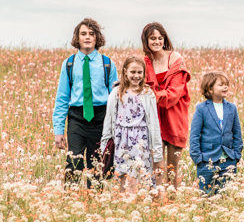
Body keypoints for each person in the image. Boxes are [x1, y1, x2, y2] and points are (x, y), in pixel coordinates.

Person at [53, 18, 118, 186]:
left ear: (97, 38)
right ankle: (70, 200)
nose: (87, 37)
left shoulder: (107, 64)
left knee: (96, 165)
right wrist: (59, 130)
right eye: (83, 34)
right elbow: (62, 98)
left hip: (101, 118)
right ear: (77, 38)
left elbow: (116, 98)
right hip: (77, 118)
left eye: (91, 34)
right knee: (74, 162)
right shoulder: (69, 64)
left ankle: (94, 202)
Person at [100, 55, 162, 193]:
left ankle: (134, 202)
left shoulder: (148, 93)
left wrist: (157, 150)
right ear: (125, 72)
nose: (136, 76)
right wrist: (104, 146)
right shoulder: (117, 93)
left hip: (141, 140)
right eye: (132, 72)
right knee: (121, 175)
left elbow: (154, 123)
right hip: (121, 139)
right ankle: (122, 203)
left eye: (139, 72)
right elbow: (109, 120)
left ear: (144, 73)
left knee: (137, 174)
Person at [142, 22, 191, 190]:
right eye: (152, 38)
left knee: (172, 168)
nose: (156, 41)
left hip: (174, 115)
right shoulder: (146, 62)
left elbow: (175, 92)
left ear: (165, 39)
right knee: (156, 165)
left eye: (160, 38)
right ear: (146, 41)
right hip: (154, 116)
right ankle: (157, 201)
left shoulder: (175, 58)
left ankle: (172, 202)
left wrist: (152, 95)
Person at [189, 71, 243, 195]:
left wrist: (236, 156)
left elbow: (237, 133)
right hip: (207, 162)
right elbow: (194, 135)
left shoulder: (232, 108)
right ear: (210, 89)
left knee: (227, 195)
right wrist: (198, 159)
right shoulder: (201, 108)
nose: (225, 87)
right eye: (221, 85)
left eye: (226, 84)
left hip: (229, 161)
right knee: (206, 196)